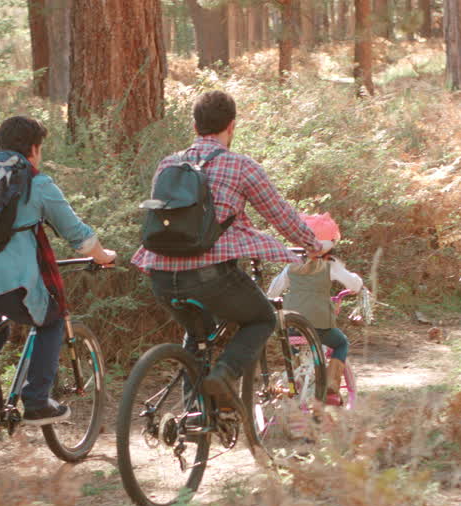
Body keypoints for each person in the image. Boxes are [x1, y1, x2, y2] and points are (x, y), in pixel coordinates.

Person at [131, 90, 327, 408]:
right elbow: (280, 215)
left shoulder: (168, 163)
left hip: (160, 274)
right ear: (231, 126)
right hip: (210, 277)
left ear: (195, 126)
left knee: (198, 334)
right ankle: (224, 374)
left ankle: (194, 416)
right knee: (262, 318)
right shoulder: (240, 166)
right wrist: (312, 245)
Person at [0, 115, 115, 425]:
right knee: (51, 320)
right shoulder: (36, 182)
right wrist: (103, 256)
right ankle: (35, 401)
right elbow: (78, 236)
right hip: (8, 286)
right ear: (34, 149)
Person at [266, 214, 368, 406]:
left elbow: (272, 291)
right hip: (319, 326)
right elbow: (353, 284)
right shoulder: (330, 265)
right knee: (341, 343)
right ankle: (330, 386)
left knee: (294, 344)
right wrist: (357, 283)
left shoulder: (291, 266)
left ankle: (295, 378)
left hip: (292, 325)